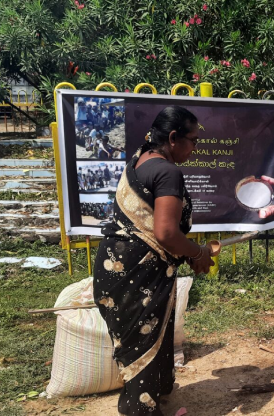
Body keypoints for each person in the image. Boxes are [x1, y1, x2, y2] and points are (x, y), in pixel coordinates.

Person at [93, 105, 213, 416]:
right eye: (193, 140)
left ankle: (153, 397)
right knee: (142, 344)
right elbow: (166, 233)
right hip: (139, 274)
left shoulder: (140, 160)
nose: (196, 148)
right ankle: (140, 410)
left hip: (116, 268)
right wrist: (197, 253)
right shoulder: (168, 171)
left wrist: (185, 252)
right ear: (174, 138)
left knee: (145, 339)